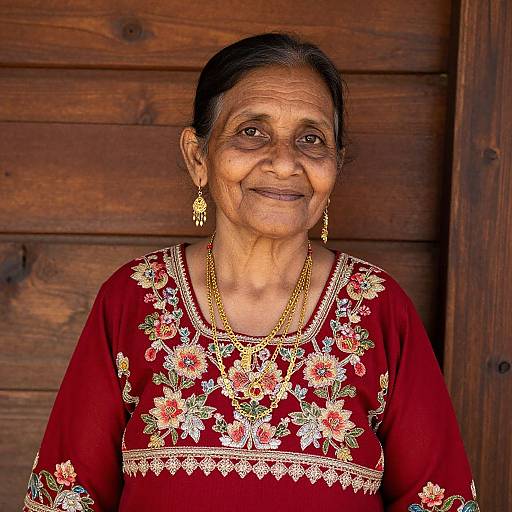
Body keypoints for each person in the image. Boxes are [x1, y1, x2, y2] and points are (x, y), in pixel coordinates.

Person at [21, 33, 480, 512]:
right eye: (251, 132)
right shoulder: (133, 300)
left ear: (335, 167)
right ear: (199, 157)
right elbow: (66, 497)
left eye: (311, 139)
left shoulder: (379, 310)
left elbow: (438, 500)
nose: (284, 162)